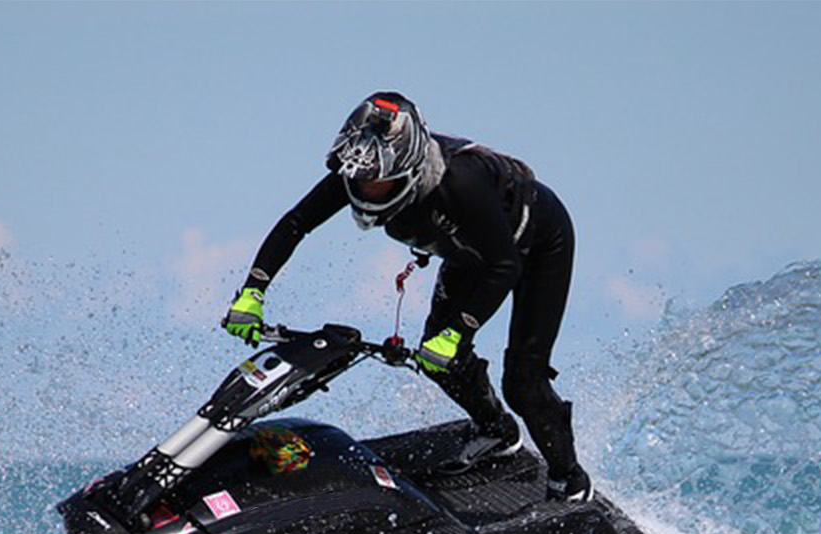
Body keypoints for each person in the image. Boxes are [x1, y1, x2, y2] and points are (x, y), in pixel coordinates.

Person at [222, 92, 593, 502]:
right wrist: (253, 291)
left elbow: (505, 266)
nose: (366, 188)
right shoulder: (361, 170)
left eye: (376, 182)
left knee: (522, 382)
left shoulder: (460, 184)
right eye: (361, 180)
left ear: (407, 171)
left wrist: (455, 333)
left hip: (535, 246)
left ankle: (569, 480)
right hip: (468, 252)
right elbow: (296, 223)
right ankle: (497, 432)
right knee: (440, 366)